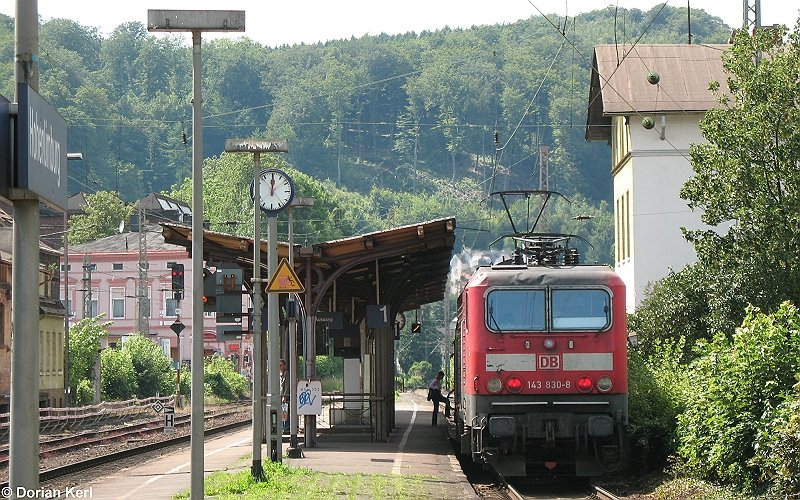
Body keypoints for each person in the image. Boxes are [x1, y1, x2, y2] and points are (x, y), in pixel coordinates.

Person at [279, 359, 289, 434]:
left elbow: (287, 386)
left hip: (285, 397)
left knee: (286, 412)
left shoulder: (287, 374)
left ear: (284, 366)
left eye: (281, 365)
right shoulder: (279, 375)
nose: (279, 367)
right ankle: (283, 427)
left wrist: (285, 396)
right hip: (280, 396)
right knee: (282, 412)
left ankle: (286, 428)